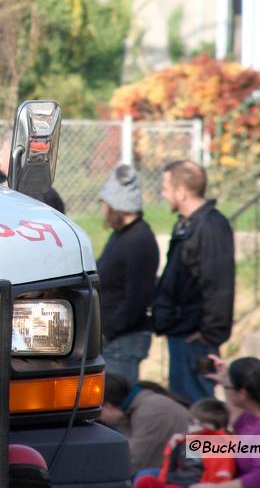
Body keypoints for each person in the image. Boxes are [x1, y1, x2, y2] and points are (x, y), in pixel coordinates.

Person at [153, 160, 235, 404]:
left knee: (199, 408)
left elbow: (218, 284)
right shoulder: (187, 225)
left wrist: (210, 333)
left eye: (166, 187)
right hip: (181, 332)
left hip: (195, 339)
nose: (163, 193)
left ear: (182, 192)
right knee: (184, 405)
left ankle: (204, 445)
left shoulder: (209, 227)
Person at [97, 164, 160, 383]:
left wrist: (109, 330)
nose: (102, 209)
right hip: (114, 339)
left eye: (104, 203)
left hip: (123, 341)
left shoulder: (139, 240)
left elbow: (138, 297)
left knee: (116, 406)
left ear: (115, 206)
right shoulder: (121, 236)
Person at [196, 356, 260, 488]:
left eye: (228, 388)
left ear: (242, 393)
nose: (226, 391)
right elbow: (233, 413)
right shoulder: (249, 417)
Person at [101, 373, 191, 476]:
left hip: (197, 469)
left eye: (99, 415)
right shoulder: (137, 409)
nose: (100, 421)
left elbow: (134, 463)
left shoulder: (149, 412)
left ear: (108, 407)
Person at [134, 398, 236, 488]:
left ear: (219, 428)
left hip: (197, 484)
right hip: (178, 481)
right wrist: (174, 449)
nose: (194, 429)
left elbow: (216, 476)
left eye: (202, 425)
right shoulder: (185, 443)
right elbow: (169, 471)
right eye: (192, 423)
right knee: (146, 480)